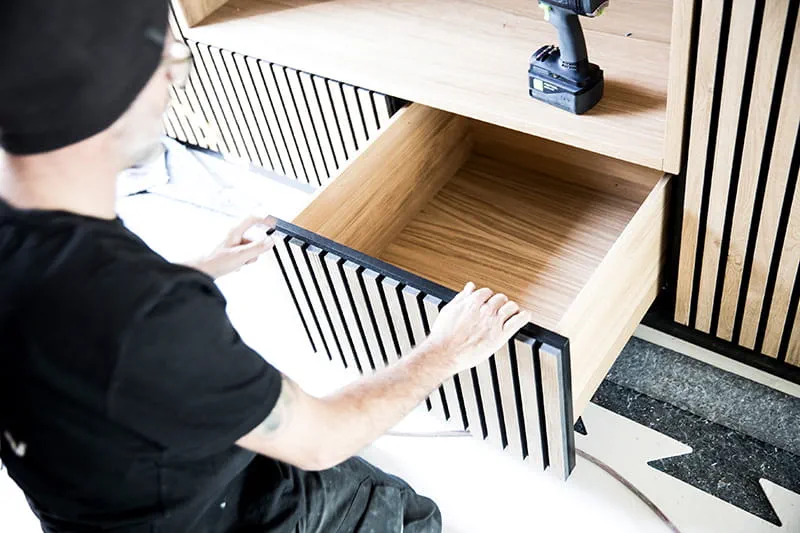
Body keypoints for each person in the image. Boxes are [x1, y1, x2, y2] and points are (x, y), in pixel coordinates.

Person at [0, 1, 530, 532]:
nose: (172, 83)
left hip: (92, 503)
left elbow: (70, 320)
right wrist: (445, 349)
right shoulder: (147, 319)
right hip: (218, 516)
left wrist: (199, 268)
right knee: (406, 513)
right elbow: (322, 441)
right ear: (111, 95)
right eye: (167, 61)